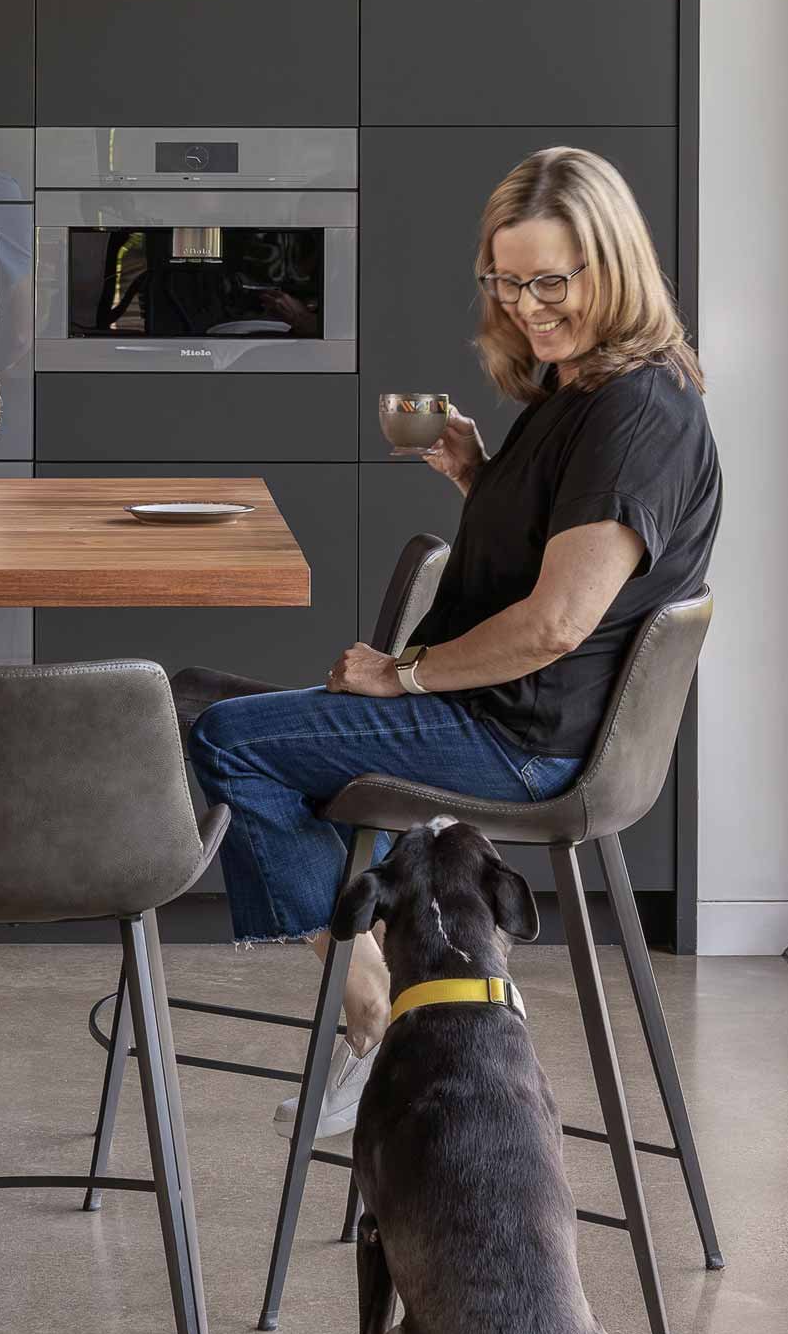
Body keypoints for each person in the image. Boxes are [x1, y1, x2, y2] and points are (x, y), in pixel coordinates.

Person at [188, 147, 721, 1139]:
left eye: (550, 280)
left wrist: (403, 675)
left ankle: (388, 1019)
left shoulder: (631, 412)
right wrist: (482, 478)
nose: (527, 305)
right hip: (509, 717)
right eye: (507, 281)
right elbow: (561, 569)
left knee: (226, 737)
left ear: (612, 264)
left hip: (519, 737)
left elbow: (558, 622)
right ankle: (419, 998)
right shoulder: (580, 390)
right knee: (199, 701)